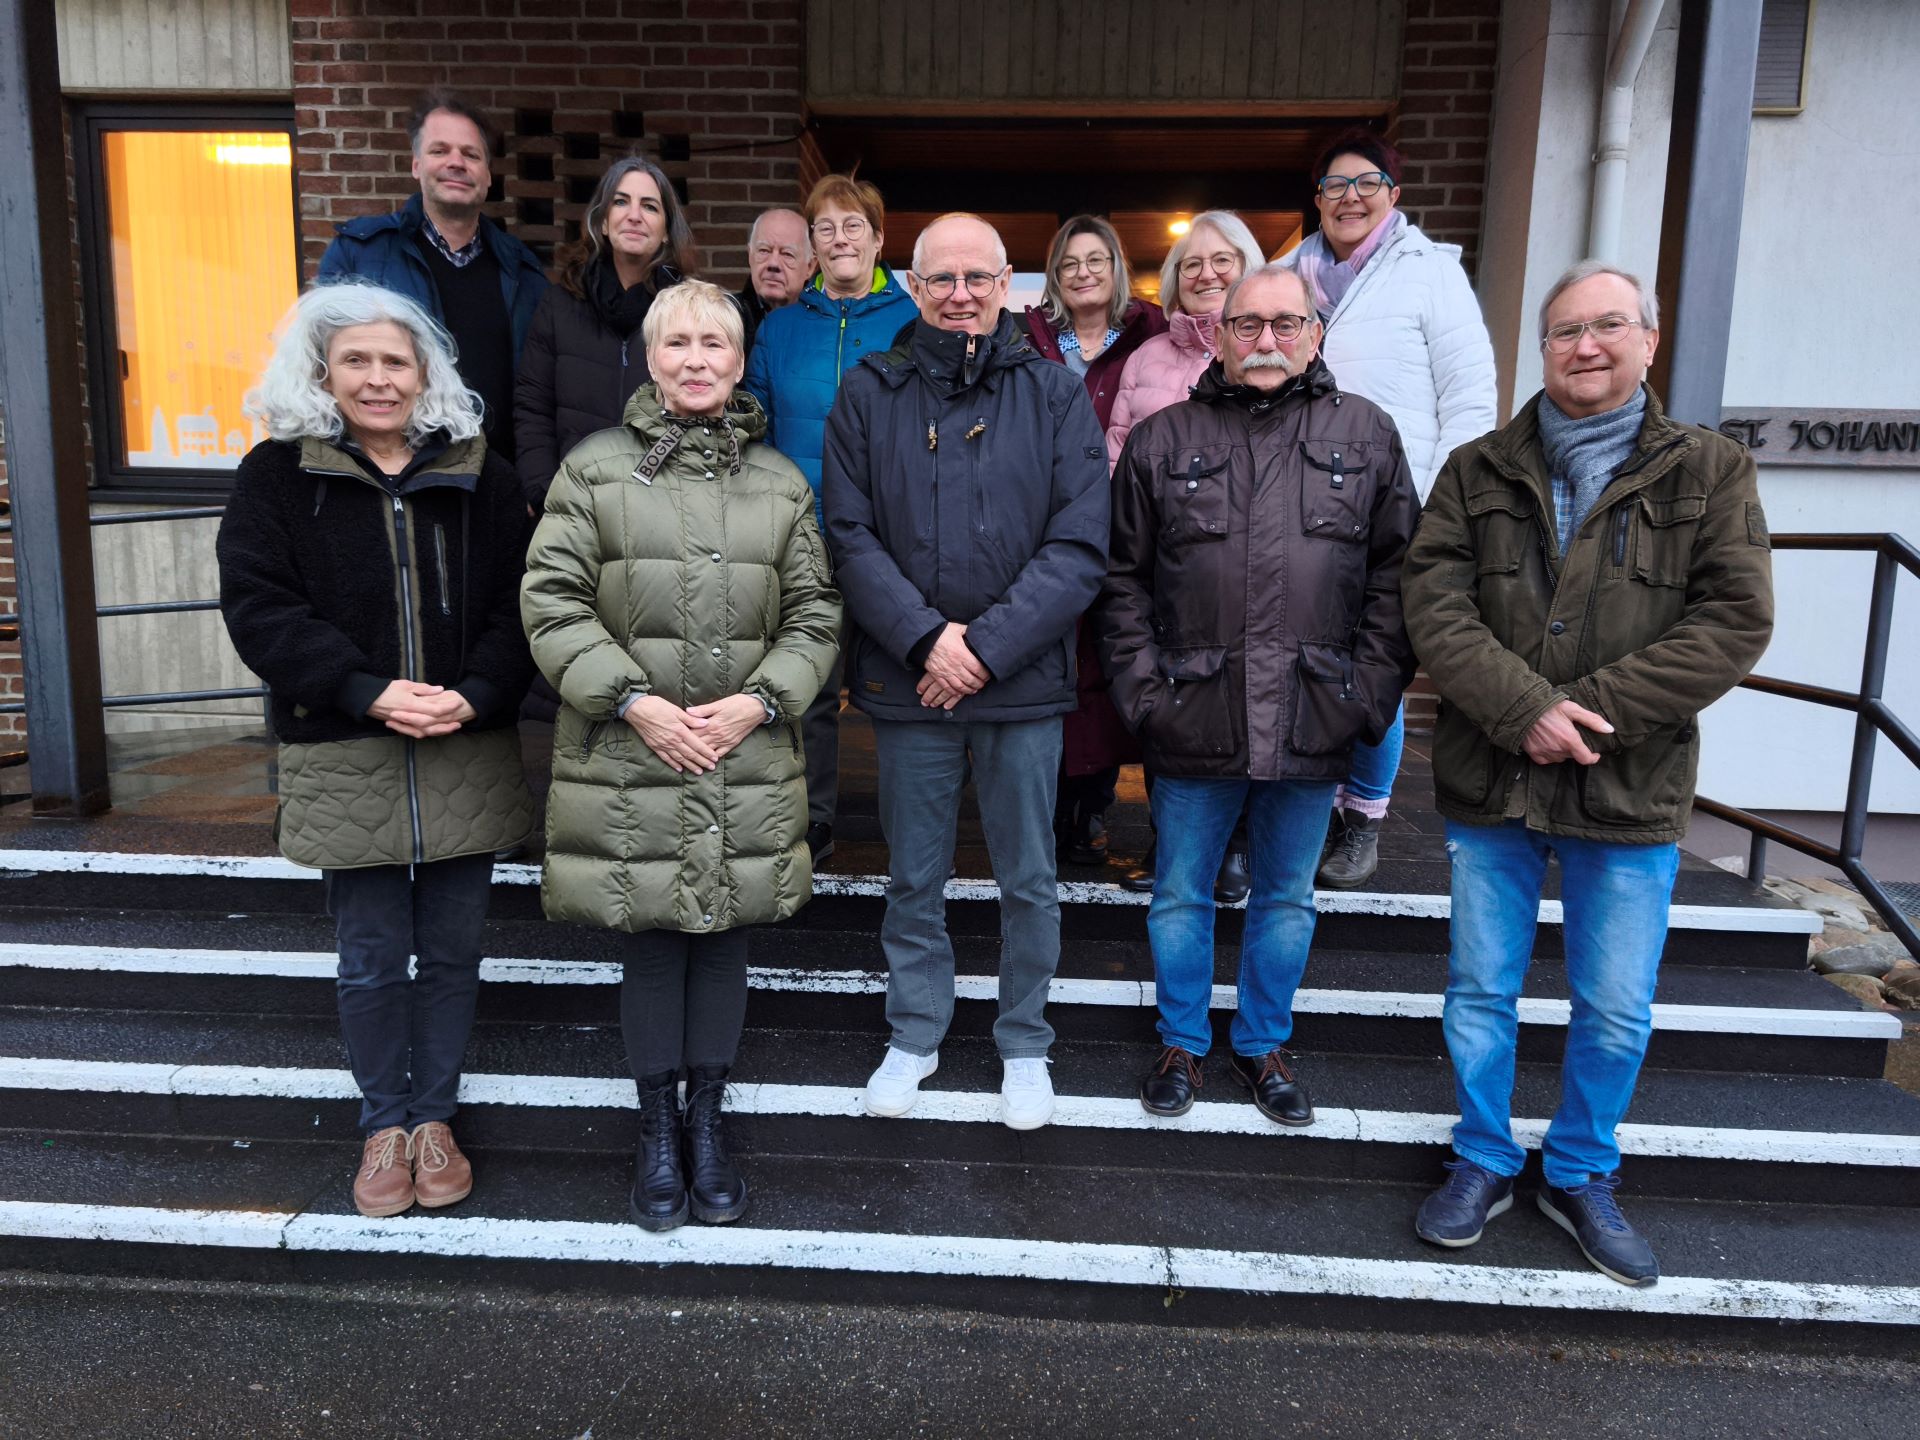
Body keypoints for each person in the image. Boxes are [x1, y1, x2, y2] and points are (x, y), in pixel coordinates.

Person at [1401, 261, 1773, 1286]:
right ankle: (1481, 1155)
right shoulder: (1476, 471)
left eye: (1609, 326)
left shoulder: (1711, 472)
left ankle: (1579, 1171)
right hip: (1496, 778)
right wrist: (1524, 711)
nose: (1586, 346)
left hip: (1630, 783)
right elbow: (1433, 605)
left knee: (1614, 1004)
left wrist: (1592, 715)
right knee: (1481, 989)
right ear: (1545, 347)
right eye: (1566, 330)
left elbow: (1733, 621)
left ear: (1649, 341)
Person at [522, 279, 841, 1232]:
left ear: (741, 361)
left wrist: (759, 702)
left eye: (716, 343)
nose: (697, 359)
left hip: (742, 749)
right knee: (656, 940)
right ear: (651, 358)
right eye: (678, 344)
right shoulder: (593, 471)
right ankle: (656, 1124)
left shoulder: (781, 482)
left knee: (728, 935)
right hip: (634, 752)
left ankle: (709, 1119)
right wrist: (632, 701)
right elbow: (552, 601)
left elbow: (817, 613)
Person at [217, 282, 535, 1219]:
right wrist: (366, 690)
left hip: (461, 745)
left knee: (450, 953)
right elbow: (260, 607)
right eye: (356, 360)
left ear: (426, 371)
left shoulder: (485, 473)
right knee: (368, 956)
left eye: (396, 360)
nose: (378, 378)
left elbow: (524, 602)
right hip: (343, 744)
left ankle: (434, 1119)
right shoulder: (276, 475)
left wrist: (475, 695)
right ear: (323, 372)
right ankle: (382, 1125)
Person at [1097, 264, 1418, 1125]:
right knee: (1179, 893)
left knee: (1285, 896)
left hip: (1317, 715)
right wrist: (1144, 697)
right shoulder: (1164, 440)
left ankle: (1263, 1042)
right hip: (1191, 715)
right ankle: (1181, 1042)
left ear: (1316, 332)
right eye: (1247, 325)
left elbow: (1399, 582)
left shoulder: (1369, 434)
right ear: (1222, 333)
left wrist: (1366, 695)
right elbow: (1120, 582)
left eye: (1285, 323)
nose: (1266, 340)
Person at [822, 213, 1109, 1132]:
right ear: (911, 286)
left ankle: (1024, 1041)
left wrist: (980, 649)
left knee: (1030, 877)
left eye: (976, 278)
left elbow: (1077, 545)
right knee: (914, 876)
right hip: (911, 685)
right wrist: (925, 643)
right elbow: (849, 534)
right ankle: (916, 1033)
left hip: (1018, 686)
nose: (958, 294)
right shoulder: (868, 393)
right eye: (940, 279)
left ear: (1006, 286)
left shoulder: (1057, 396)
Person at [1281, 128, 1498, 891]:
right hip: (1299, 509)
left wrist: (1441, 510)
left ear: (1393, 194)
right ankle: (1303, 811)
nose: (1349, 197)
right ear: (1317, 200)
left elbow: (1469, 399)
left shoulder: (1431, 276)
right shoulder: (1289, 276)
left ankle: (1360, 822)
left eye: (1365, 182)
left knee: (1377, 664)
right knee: (1305, 660)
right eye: (1333, 186)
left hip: (1396, 510)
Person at [744, 175, 919, 862]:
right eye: (826, 227)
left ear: (879, 238)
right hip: (802, 536)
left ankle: (912, 829)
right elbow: (753, 426)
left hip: (891, 540)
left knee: (901, 690)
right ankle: (811, 821)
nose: (840, 237)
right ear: (812, 246)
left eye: (854, 226)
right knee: (807, 687)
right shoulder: (781, 328)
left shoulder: (913, 319)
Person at [1102, 209, 1267, 898]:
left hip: (1249, 568)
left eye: (1222, 259)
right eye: (1191, 263)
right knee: (1169, 708)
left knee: (1243, 707)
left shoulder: (1269, 351)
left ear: (1249, 268)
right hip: (1165, 569)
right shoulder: (1146, 357)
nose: (1206, 273)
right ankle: (1173, 846)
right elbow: (1116, 456)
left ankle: (1235, 851)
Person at [1021, 215, 1168, 871]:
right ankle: (1050, 806)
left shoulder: (1149, 335)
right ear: (1055, 275)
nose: (1083, 273)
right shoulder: (1028, 340)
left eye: (1095, 260)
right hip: (1042, 527)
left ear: (1116, 268)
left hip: (1120, 525)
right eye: (1069, 263)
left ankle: (1091, 808)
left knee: (1107, 672)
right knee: (1053, 667)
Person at [318, 89, 547, 461]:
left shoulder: (523, 272)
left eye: (471, 154)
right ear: (416, 165)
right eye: (440, 151)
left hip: (494, 485)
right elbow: (321, 372)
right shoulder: (357, 256)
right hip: (390, 479)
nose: (456, 162)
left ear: (487, 175)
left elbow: (537, 394)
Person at [513, 155, 694, 512]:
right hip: (574, 507)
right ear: (604, 222)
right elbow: (533, 406)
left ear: (665, 230)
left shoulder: (688, 311)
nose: (634, 215)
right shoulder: (560, 304)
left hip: (665, 512)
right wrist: (544, 490)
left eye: (650, 207)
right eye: (621, 201)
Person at [735, 207, 814, 352]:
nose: (773, 264)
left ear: (809, 267)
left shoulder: (824, 325)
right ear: (750, 256)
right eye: (764, 251)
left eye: (787, 254)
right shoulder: (726, 319)